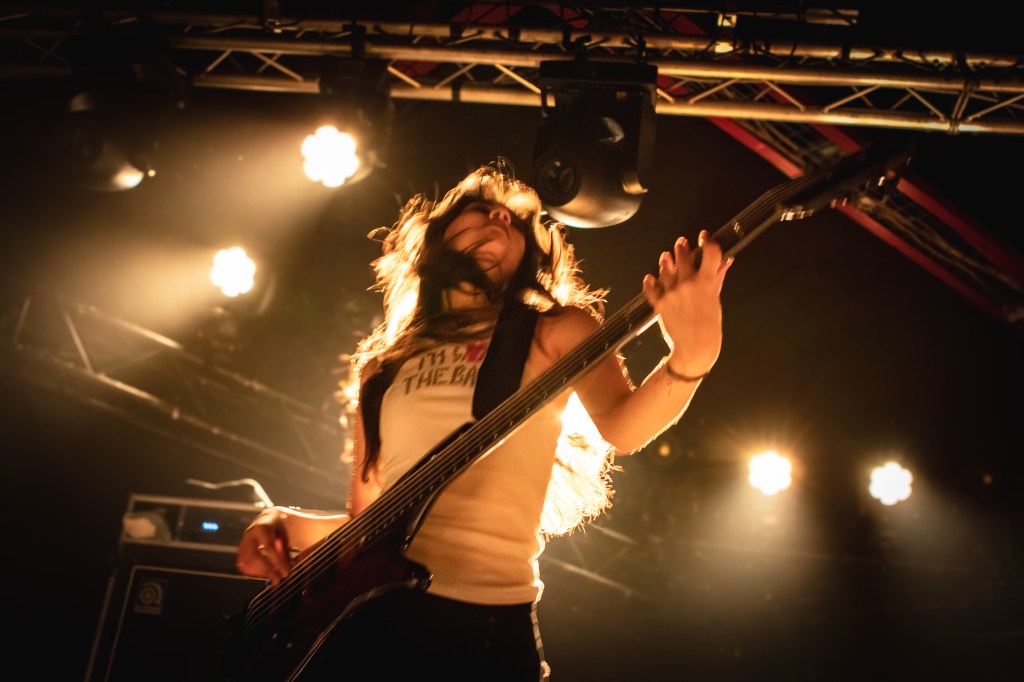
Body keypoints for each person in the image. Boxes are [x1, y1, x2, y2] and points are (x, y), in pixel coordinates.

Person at [234, 161, 731, 680]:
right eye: (479, 211)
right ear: (432, 241)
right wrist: (278, 522)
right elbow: (368, 528)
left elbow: (623, 428)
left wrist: (692, 358)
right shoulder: (383, 367)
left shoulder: (554, 330)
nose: (500, 217)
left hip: (487, 629)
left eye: (514, 222)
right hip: (378, 625)